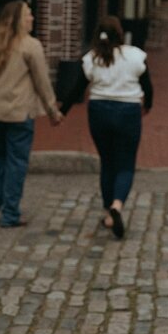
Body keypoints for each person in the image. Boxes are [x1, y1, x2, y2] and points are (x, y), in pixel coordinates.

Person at [61, 16, 153, 240]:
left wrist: (61, 112)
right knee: (126, 163)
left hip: (99, 112)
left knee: (107, 161)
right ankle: (117, 205)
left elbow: (77, 89)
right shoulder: (135, 56)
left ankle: (107, 211)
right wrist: (147, 106)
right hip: (128, 112)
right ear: (120, 34)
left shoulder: (91, 58)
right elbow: (148, 87)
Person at [0, 0, 62, 228]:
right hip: (18, 112)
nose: (32, 18)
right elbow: (42, 81)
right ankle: (11, 213)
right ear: (17, 20)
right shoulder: (30, 46)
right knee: (17, 161)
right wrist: (52, 109)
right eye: (28, 14)